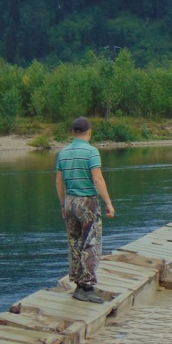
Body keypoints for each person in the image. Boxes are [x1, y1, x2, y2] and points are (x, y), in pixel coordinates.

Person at [55, 116, 115, 303]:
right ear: (89, 131)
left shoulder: (63, 153)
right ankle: (87, 286)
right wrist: (109, 203)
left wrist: (63, 204)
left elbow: (59, 181)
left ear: (73, 132)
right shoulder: (92, 152)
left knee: (75, 243)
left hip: (70, 201)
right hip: (87, 202)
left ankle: (77, 283)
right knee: (91, 243)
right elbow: (97, 179)